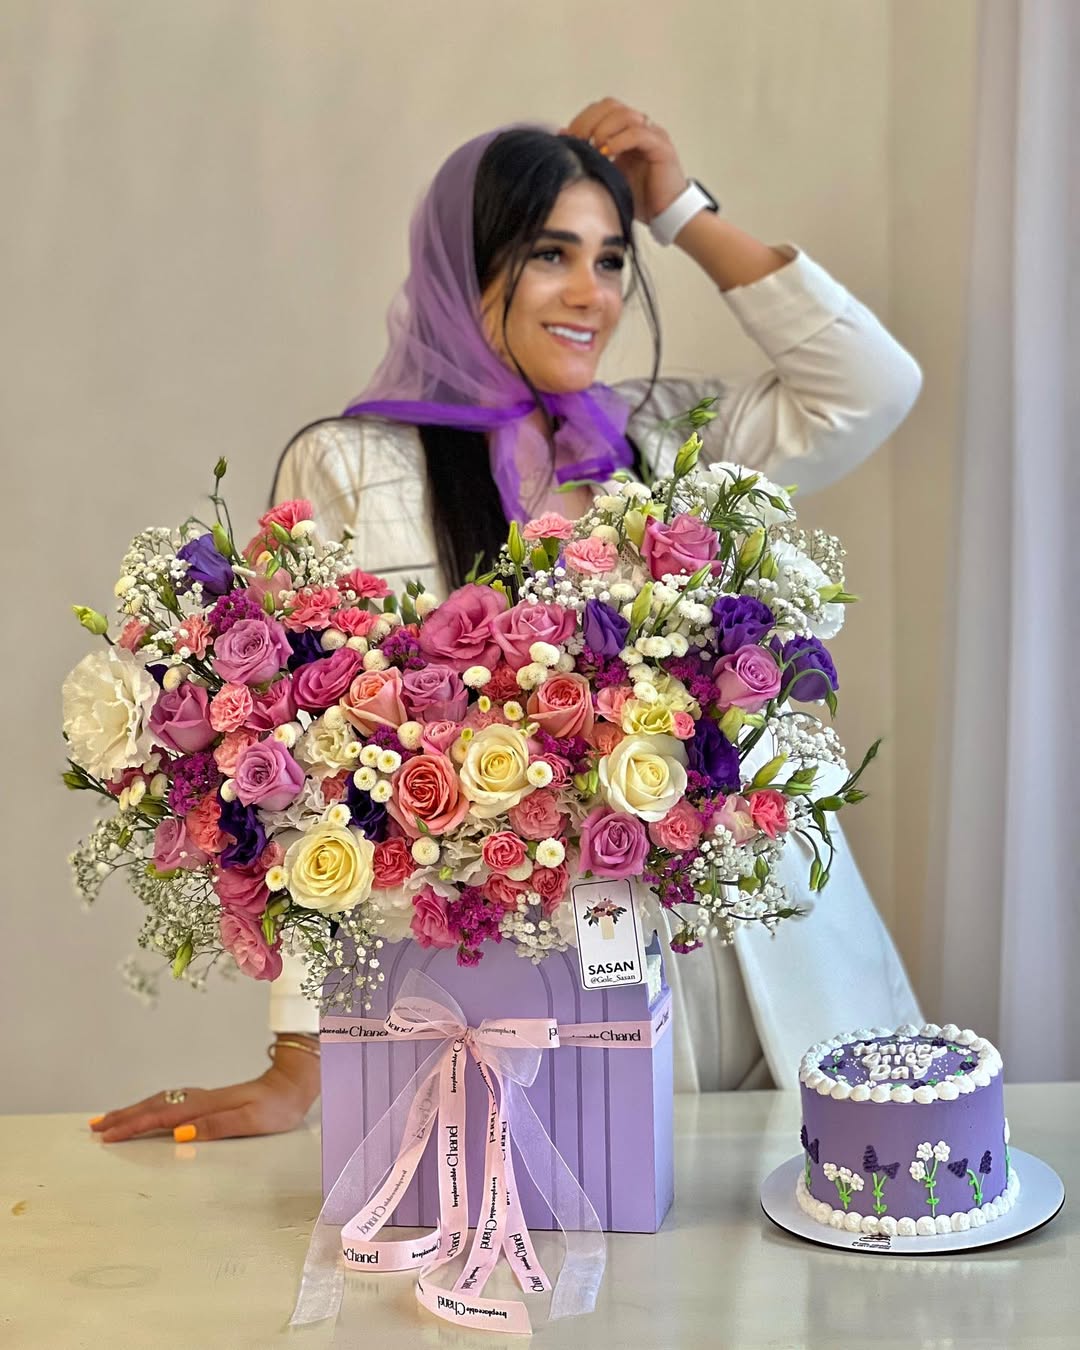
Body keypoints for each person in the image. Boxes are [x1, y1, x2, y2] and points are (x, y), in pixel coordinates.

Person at [92, 98, 922, 1145]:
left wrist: (679, 208)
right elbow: (299, 772)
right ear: (464, 266)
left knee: (824, 1220)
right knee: (609, 1221)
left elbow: (873, 387)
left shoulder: (666, 438)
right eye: (549, 255)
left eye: (612, 260)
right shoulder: (352, 465)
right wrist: (299, 1062)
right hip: (540, 979)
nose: (591, 294)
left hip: (762, 954)